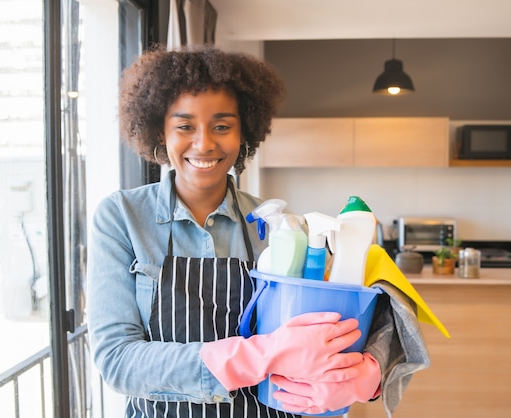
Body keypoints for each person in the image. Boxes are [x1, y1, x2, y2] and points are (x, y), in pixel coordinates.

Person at [87, 46, 382, 418]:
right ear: (159, 131)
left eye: (222, 126)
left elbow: (357, 320)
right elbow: (117, 362)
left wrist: (366, 375)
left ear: (245, 132)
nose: (205, 143)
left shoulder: (284, 226)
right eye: (184, 126)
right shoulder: (122, 217)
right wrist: (265, 353)